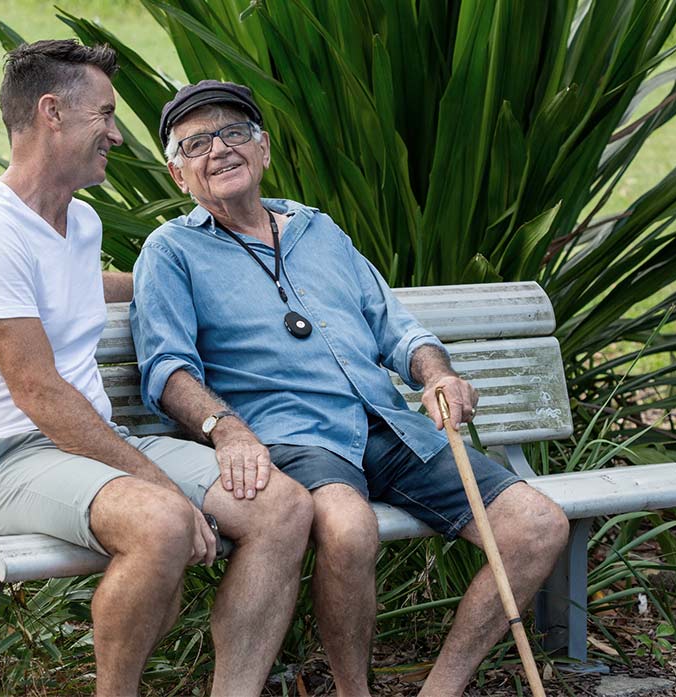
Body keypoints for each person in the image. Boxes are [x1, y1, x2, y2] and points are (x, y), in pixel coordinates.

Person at [130, 79, 571, 696]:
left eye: (233, 132)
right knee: (348, 526)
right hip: (294, 436)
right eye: (196, 143)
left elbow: (397, 327)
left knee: (538, 525)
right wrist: (225, 430)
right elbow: (166, 368)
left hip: (387, 425)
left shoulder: (319, 231)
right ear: (179, 175)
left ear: (263, 149)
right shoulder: (171, 251)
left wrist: (437, 373)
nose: (219, 149)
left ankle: (440, 690)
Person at [0, 44, 313, 696]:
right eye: (104, 114)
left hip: (89, 445)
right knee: (160, 521)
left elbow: (86, 286)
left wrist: (202, 280)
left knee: (283, 507)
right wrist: (159, 483)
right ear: (51, 113)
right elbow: (38, 392)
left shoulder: (78, 220)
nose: (117, 133)